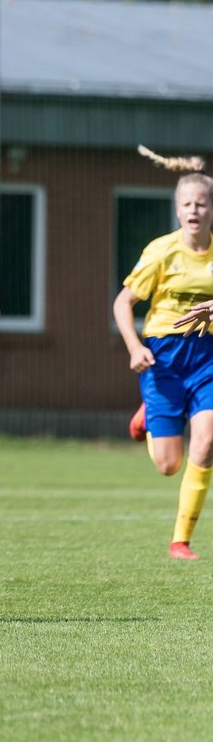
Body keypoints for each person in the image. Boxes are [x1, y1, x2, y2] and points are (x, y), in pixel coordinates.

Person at [114, 147, 213, 561]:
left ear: (211, 210)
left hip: (207, 356)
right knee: (168, 465)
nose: (194, 210)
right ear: (177, 210)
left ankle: (180, 541)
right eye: (187, 204)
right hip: (164, 358)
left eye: (202, 203)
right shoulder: (162, 252)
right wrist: (135, 347)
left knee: (206, 443)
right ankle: (145, 415)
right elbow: (123, 303)